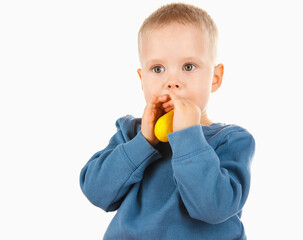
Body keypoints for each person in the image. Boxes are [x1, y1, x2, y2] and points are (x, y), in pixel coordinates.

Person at [80, 3, 255, 240]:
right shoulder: (131, 132)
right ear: (142, 79)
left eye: (188, 66)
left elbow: (213, 207)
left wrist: (189, 137)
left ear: (214, 78)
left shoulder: (231, 140)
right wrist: (143, 142)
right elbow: (96, 192)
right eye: (158, 68)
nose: (172, 81)